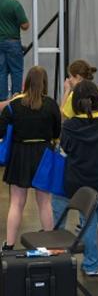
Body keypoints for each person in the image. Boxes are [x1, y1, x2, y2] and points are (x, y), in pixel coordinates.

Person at [54, 80, 98, 276]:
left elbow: (65, 151)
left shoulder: (70, 126)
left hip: (78, 181)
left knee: (88, 222)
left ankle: (91, 264)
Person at [0, 66, 60, 250]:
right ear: (45, 83)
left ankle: (9, 245)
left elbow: (1, 131)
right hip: (44, 155)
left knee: (16, 203)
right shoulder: (51, 105)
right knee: (44, 203)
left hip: (20, 154)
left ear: (25, 82)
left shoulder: (13, 106)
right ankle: (49, 246)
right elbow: (57, 132)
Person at [0, 0, 29, 101]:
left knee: (1, 72)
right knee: (16, 71)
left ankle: (2, 103)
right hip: (12, 43)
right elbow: (25, 25)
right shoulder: (14, 4)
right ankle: (16, 100)